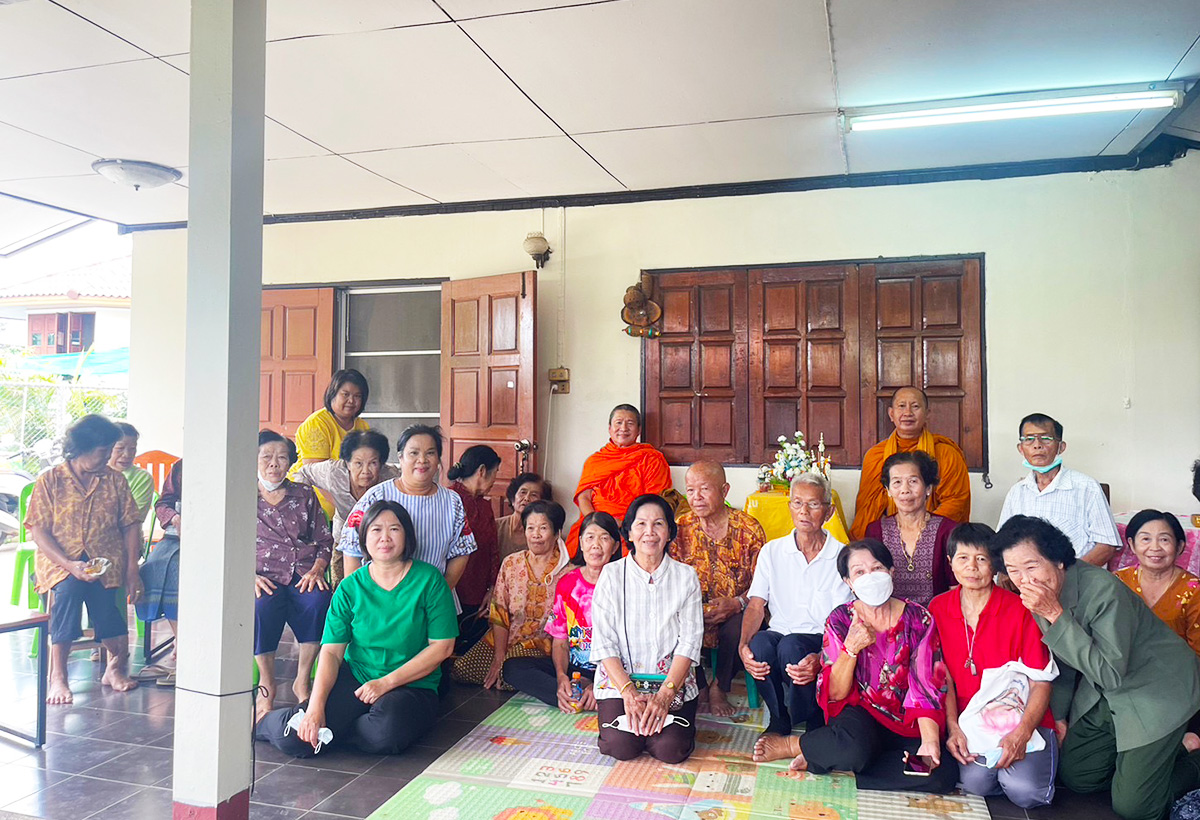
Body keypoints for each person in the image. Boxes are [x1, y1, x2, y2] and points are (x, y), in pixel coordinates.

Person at [994, 515, 1200, 820]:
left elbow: (1110, 674)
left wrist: (1056, 615)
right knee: (1077, 777)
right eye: (1014, 570)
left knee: (1135, 807)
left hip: (1156, 690)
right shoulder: (1040, 595)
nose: (1025, 580)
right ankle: (1146, 763)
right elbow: (1062, 662)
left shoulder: (1104, 591)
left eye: (1032, 566)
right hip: (1105, 693)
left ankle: (1189, 758)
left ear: (1059, 561)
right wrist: (1059, 717)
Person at [256, 500, 457, 757]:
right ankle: (262, 721)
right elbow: (331, 652)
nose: (385, 538)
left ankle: (337, 732)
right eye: (376, 530)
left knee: (385, 733)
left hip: (412, 684)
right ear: (364, 538)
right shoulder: (350, 587)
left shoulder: (429, 580)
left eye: (394, 529)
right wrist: (315, 707)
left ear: (407, 536)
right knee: (298, 737)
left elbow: (442, 647)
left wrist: (385, 683)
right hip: (357, 677)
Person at [766, 538, 957, 794]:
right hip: (861, 715)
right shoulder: (840, 619)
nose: (870, 577)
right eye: (859, 572)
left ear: (891, 572)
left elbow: (927, 685)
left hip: (908, 721)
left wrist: (930, 742)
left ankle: (826, 754)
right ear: (848, 582)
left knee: (942, 774)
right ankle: (797, 745)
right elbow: (835, 693)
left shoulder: (918, 618)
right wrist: (851, 648)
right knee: (854, 748)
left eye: (877, 568)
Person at [928, 523, 1057, 809]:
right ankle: (1001, 774)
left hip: (1020, 716)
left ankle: (1023, 769)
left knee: (1025, 792)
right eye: (963, 558)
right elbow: (942, 677)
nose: (972, 567)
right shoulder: (938, 608)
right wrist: (953, 728)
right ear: (950, 562)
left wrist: (1021, 734)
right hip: (969, 721)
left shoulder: (1020, 608)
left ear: (996, 564)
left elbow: (1040, 681)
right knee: (976, 785)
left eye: (981, 558)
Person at [27, 414, 143, 705]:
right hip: (59, 561)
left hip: (105, 561)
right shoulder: (50, 481)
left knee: (104, 602)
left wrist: (132, 570)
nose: (109, 457)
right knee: (68, 591)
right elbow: (38, 530)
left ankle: (114, 667)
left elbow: (131, 524)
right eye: (104, 451)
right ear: (81, 449)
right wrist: (69, 565)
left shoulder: (115, 481)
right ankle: (59, 676)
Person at [591, 494, 703, 763]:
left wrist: (665, 695)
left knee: (670, 749)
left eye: (658, 524)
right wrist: (628, 692)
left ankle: (659, 729)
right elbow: (604, 641)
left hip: (671, 683)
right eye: (641, 524)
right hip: (620, 684)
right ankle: (639, 727)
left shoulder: (686, 577)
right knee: (621, 746)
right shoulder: (611, 575)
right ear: (629, 533)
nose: (649, 532)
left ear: (669, 532)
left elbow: (690, 642)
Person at [743, 473, 851, 752]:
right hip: (781, 635)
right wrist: (743, 646)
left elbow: (847, 619)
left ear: (829, 511)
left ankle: (813, 716)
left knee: (792, 646)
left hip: (821, 640)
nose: (804, 511)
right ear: (789, 507)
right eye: (797, 503)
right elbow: (756, 604)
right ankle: (779, 718)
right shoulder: (772, 551)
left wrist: (823, 656)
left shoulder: (843, 556)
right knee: (759, 644)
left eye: (813, 504)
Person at [504, 511, 621, 710]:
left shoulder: (623, 583)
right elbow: (560, 642)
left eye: (604, 538)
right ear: (581, 543)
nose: (596, 545)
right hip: (575, 668)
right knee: (512, 668)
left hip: (614, 669)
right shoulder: (568, 582)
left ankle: (594, 693)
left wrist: (600, 682)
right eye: (590, 537)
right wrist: (561, 677)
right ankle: (570, 693)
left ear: (615, 546)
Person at [674, 461, 766, 716]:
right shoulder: (680, 528)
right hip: (692, 609)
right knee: (670, 620)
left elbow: (763, 584)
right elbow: (670, 580)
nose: (696, 497)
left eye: (704, 489)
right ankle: (699, 684)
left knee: (740, 627)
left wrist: (737, 602)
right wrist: (695, 609)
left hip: (739, 608)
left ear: (724, 490)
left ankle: (719, 685)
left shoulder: (749, 529)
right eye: (690, 490)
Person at [254, 430, 334, 722]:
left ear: (291, 462)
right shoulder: (241, 495)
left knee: (319, 601)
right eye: (266, 457)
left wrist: (318, 568)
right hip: (262, 574)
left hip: (303, 572)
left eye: (282, 457)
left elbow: (324, 540)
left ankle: (302, 679)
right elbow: (227, 542)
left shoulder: (304, 494)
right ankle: (267, 683)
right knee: (260, 605)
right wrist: (247, 576)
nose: (274, 463)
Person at [338, 425, 476, 593]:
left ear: (438, 459)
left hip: (434, 596)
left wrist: (439, 594)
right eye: (414, 453)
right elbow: (351, 548)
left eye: (430, 453)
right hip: (379, 598)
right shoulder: (376, 496)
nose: (422, 460)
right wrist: (359, 597)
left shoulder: (452, 501)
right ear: (401, 457)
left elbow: (461, 550)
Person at [452, 500, 571, 688]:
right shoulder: (511, 563)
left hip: (542, 645)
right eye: (530, 528)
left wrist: (504, 663)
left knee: (509, 674)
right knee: (462, 670)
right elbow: (499, 614)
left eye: (543, 528)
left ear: (556, 533)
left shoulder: (568, 573)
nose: (536, 535)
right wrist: (499, 656)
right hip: (505, 639)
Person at [997, 413, 1121, 566]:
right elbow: (1002, 542)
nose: (1037, 445)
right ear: (1021, 448)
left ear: (1061, 447)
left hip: (1076, 576)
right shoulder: (1017, 492)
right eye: (1029, 439)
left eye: (1046, 438)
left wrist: (1071, 575)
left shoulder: (1086, 487)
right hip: (1026, 577)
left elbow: (1106, 545)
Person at [850, 386, 970, 540]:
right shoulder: (875, 456)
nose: (908, 413)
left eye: (915, 406)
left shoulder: (946, 454)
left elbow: (955, 502)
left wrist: (922, 531)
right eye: (901, 406)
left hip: (937, 536)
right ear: (891, 414)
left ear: (927, 413)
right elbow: (867, 509)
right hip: (888, 537)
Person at [294, 430, 397, 585]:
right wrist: (306, 507)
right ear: (347, 463)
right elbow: (303, 473)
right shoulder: (333, 472)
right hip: (343, 535)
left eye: (373, 463)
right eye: (358, 463)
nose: (365, 471)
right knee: (342, 585)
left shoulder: (392, 477)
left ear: (381, 463)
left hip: (381, 539)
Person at [565, 404, 671, 554]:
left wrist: (625, 523)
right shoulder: (595, 461)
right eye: (619, 423)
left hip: (631, 525)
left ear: (639, 430)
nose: (624, 428)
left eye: (630, 423)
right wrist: (596, 523)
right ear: (610, 428)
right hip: (594, 522)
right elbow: (584, 498)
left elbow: (652, 501)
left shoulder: (651, 459)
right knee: (578, 547)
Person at [864, 451, 956, 606]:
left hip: (936, 617)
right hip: (889, 617)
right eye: (897, 482)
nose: (905, 490)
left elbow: (956, 589)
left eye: (913, 481)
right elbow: (871, 584)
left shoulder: (948, 531)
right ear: (888, 490)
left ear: (928, 488)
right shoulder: (875, 531)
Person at [1115, 510, 1200, 657]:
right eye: (1146, 539)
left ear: (1179, 546)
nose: (1155, 548)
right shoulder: (1118, 582)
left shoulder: (1194, 591)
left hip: (1178, 668)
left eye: (1164, 540)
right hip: (1123, 666)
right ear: (1132, 545)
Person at [290, 369, 371, 522]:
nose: (351, 401)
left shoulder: (363, 426)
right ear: (332, 394)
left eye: (357, 396)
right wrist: (347, 507)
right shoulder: (317, 423)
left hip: (350, 508)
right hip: (315, 508)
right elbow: (316, 477)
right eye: (345, 394)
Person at [446, 445, 502, 651]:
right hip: (450, 588)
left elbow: (493, 549)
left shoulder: (485, 506)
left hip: (479, 592)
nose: (495, 480)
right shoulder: (448, 499)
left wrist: (492, 588)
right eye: (495, 472)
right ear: (482, 471)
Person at [135, 458, 183, 684]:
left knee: (178, 573)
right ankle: (181, 639)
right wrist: (174, 517)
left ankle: (184, 648)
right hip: (176, 538)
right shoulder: (182, 467)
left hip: (214, 540)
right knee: (151, 569)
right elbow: (163, 503)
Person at [496, 473, 551, 560]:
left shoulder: (544, 533)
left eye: (534, 495)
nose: (526, 498)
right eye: (523, 492)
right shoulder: (496, 526)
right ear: (513, 499)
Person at [107, 422, 154, 523]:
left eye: (132, 449)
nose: (127, 454)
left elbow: (134, 519)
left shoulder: (142, 478)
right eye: (120, 448)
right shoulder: (94, 473)